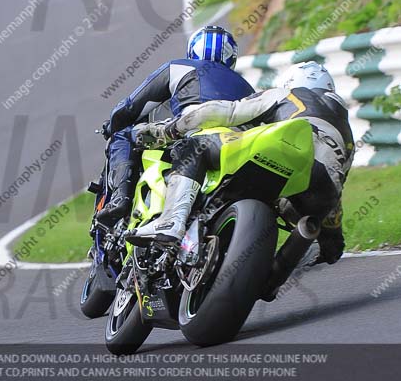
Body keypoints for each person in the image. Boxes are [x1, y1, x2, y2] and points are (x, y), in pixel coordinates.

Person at [129, 60, 354, 263]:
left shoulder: (288, 95)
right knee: (316, 223)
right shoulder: (347, 133)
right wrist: (333, 243)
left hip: (280, 154)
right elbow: (335, 192)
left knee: (195, 148)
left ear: (291, 82)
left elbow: (225, 112)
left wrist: (168, 130)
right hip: (315, 190)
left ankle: (172, 221)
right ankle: (273, 276)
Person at [98, 25, 254, 225]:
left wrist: (112, 125)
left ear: (193, 50)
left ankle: (120, 199)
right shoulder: (247, 86)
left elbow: (131, 107)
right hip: (236, 144)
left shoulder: (180, 67)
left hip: (190, 131)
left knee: (123, 134)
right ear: (232, 57)